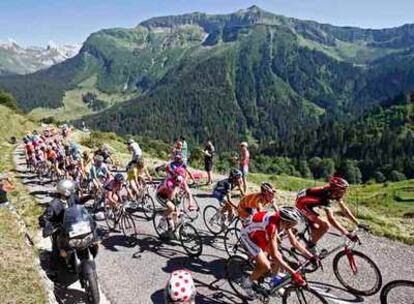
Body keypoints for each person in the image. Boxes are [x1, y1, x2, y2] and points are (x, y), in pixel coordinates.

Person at [240, 207, 315, 299]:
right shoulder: (272, 226)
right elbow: (275, 256)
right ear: (287, 222)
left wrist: (311, 257)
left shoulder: (283, 220)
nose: (293, 226)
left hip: (259, 232)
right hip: (248, 234)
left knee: (279, 256)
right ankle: (246, 283)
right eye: (293, 224)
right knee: (265, 265)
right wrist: (293, 274)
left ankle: (273, 280)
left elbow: (294, 242)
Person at [295, 176, 360, 253]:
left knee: (316, 229)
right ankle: (310, 246)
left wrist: (357, 223)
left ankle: (307, 239)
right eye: (343, 190)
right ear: (336, 190)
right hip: (301, 204)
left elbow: (344, 210)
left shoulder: (334, 193)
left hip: (308, 203)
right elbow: (331, 219)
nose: (345, 193)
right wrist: (346, 232)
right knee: (325, 225)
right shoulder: (324, 196)